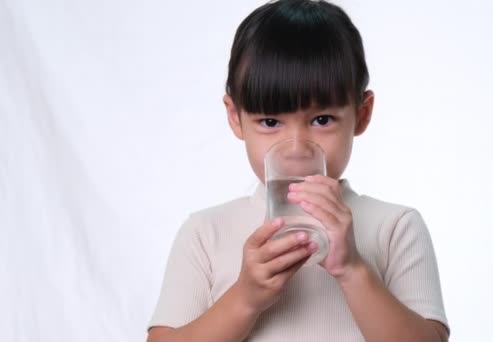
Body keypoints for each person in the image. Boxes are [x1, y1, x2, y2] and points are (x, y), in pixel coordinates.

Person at [147, 0, 449, 341]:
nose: (295, 147)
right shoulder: (205, 233)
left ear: (362, 114)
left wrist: (352, 269)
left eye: (322, 120)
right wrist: (245, 298)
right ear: (235, 118)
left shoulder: (395, 227)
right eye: (270, 121)